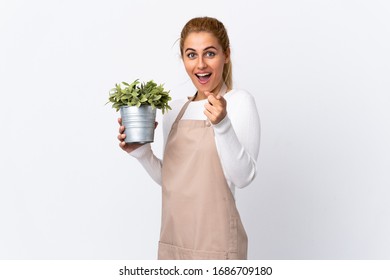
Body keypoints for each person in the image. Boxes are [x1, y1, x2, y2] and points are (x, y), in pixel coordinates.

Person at [117, 16, 260, 260]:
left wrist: (222, 125)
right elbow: (174, 180)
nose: (201, 64)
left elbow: (243, 177)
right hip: (173, 245)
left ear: (226, 55)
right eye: (192, 55)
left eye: (210, 53)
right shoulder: (173, 110)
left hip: (217, 248)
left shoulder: (238, 102)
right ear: (183, 59)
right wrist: (141, 153)